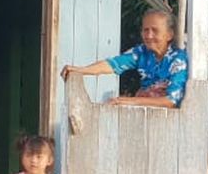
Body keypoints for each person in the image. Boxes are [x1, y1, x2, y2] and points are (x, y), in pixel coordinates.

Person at [60, 9, 189, 107]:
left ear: (169, 35)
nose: (149, 35)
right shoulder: (141, 52)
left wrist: (131, 101)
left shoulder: (178, 60)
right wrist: (81, 70)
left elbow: (171, 101)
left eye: (155, 31)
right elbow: (113, 64)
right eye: (145, 30)